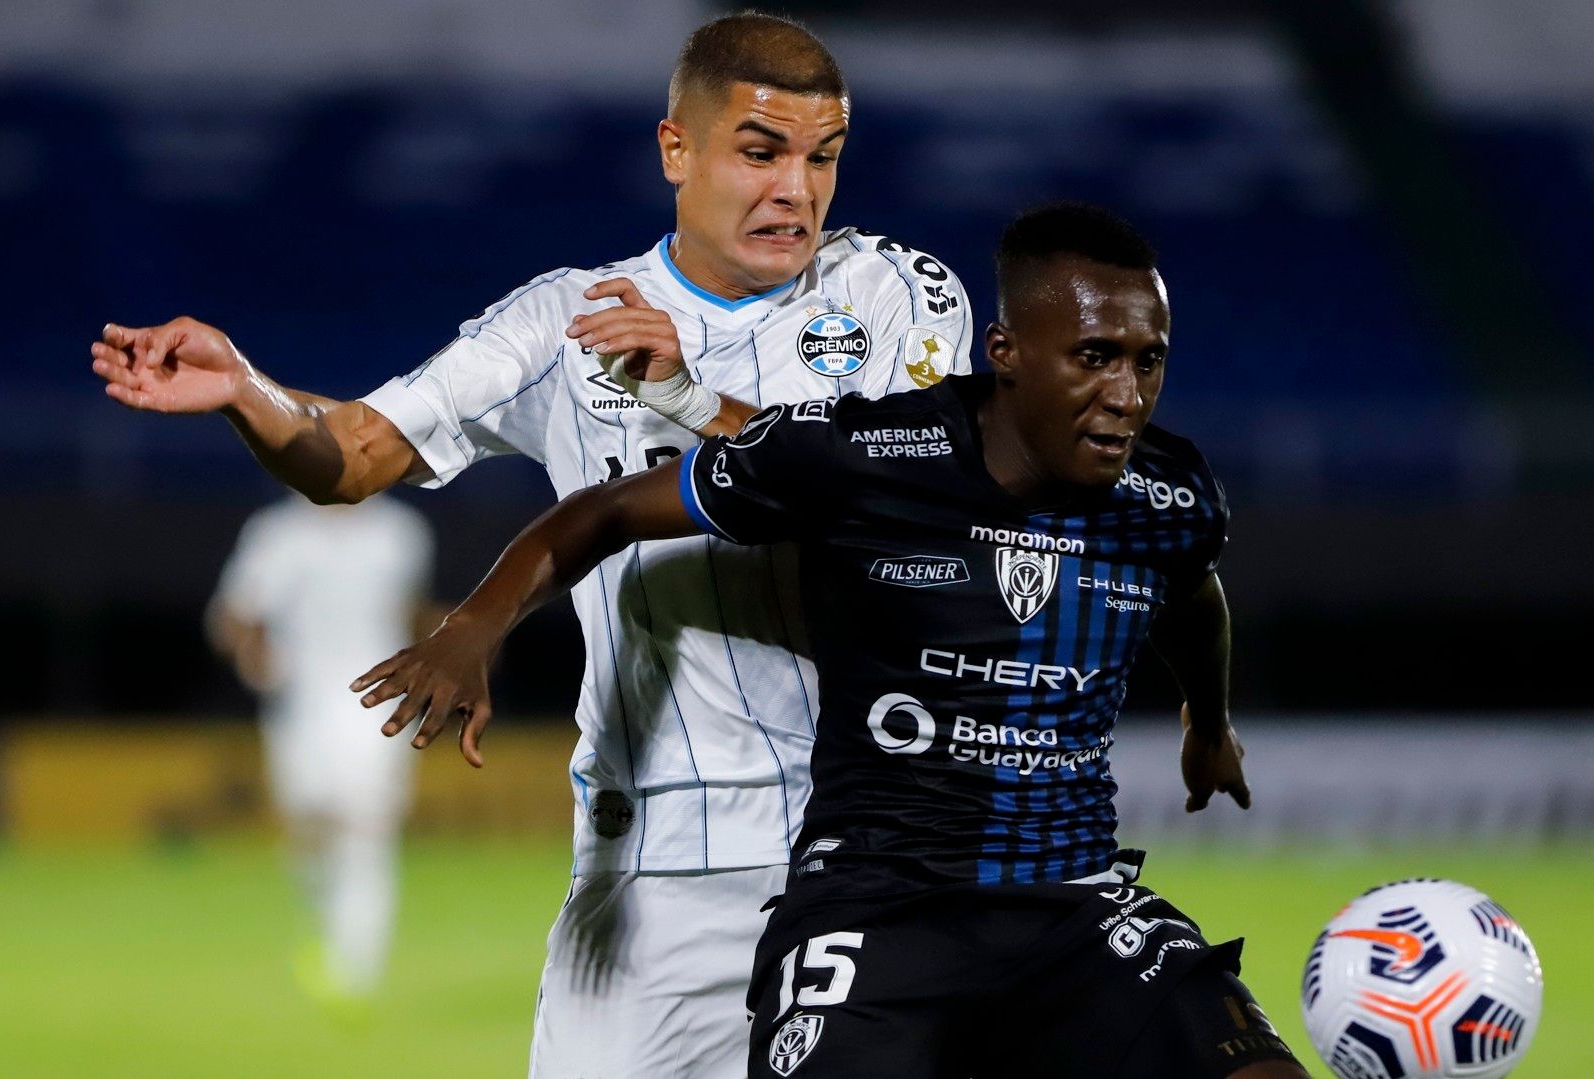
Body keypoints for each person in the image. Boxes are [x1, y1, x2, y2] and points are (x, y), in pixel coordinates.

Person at [89, 12, 973, 1075]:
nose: (797, 188)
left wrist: (690, 395)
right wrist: (248, 390)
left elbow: (900, 500)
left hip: (866, 846)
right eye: (760, 150)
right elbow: (359, 449)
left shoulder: (890, 295)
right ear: (675, 150)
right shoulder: (566, 318)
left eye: (821, 157)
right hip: (648, 873)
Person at [351, 202, 1308, 1078]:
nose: (1127, 394)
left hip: (1076, 900)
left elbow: (1188, 591)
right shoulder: (871, 454)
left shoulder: (1168, 496)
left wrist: (1208, 718)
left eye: (1149, 360)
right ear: (1007, 349)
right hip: (882, 904)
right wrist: (474, 624)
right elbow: (608, 511)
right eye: (1095, 356)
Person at [206, 493, 438, 1013]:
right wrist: (253, 655)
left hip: (379, 704)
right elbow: (233, 616)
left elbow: (413, 613)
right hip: (301, 706)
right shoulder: (277, 533)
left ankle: (353, 969)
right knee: (309, 825)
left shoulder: (399, 532)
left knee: (365, 829)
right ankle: (326, 925)